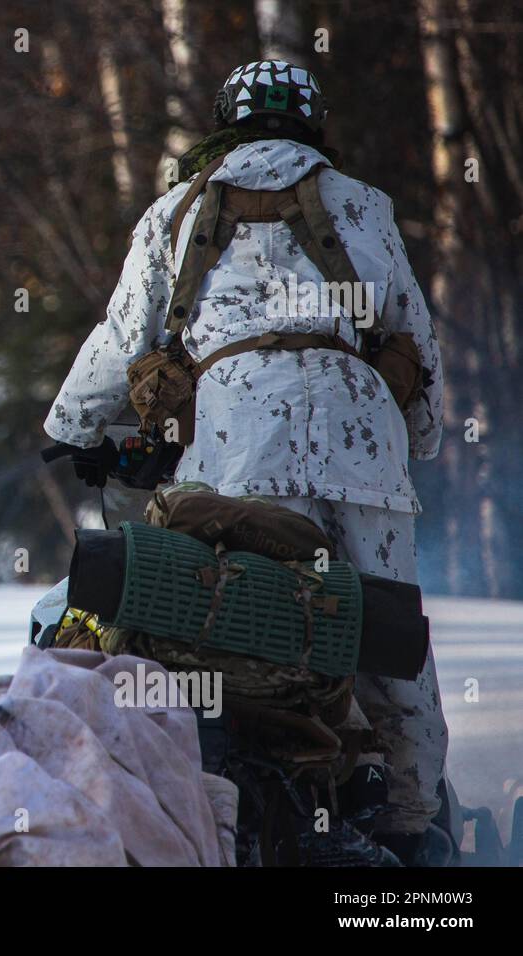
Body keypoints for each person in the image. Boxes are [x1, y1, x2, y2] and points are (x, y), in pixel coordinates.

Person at [44, 60, 447, 861]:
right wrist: (423, 441)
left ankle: (240, 796)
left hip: (235, 430)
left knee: (232, 614)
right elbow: (416, 339)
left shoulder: (179, 211)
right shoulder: (363, 204)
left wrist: (72, 426)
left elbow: (125, 338)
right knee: (384, 628)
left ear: (225, 122)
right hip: (360, 423)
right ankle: (411, 825)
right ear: (313, 125)